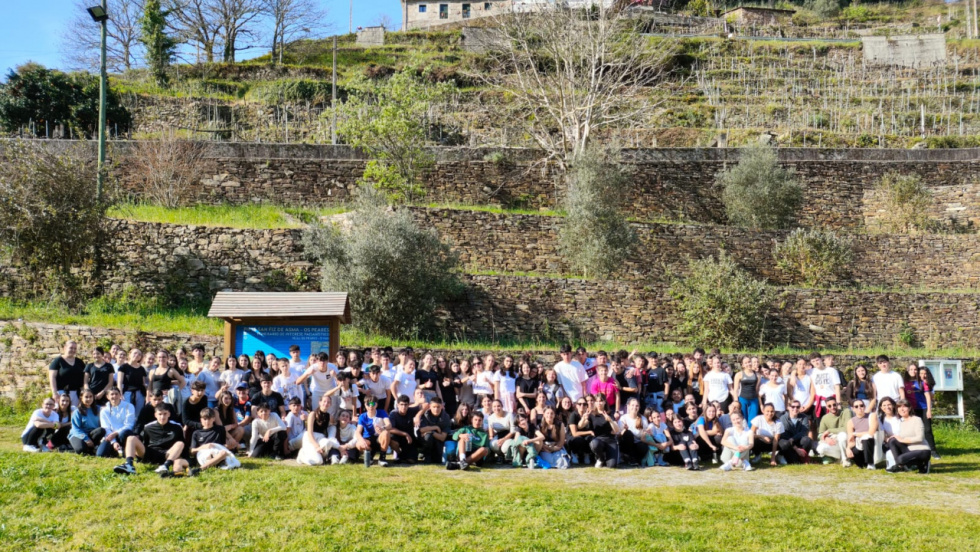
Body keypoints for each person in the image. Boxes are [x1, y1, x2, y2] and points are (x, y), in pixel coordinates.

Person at [114, 403, 189, 477]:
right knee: (131, 438)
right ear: (155, 415)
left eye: (165, 414)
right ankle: (129, 465)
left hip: (167, 454)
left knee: (180, 443)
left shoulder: (177, 427)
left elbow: (182, 447)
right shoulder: (148, 427)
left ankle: (165, 466)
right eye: (160, 414)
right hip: (150, 453)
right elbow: (144, 443)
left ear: (169, 414)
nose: (162, 417)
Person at [885, 400, 932, 473]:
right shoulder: (901, 422)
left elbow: (920, 438)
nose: (902, 409)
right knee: (892, 440)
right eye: (899, 407)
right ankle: (900, 466)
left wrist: (902, 440)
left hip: (922, 450)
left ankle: (923, 463)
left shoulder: (917, 419)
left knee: (901, 459)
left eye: (904, 407)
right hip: (909, 450)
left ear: (909, 408)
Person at [189, 407, 240, 473]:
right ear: (201, 420)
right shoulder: (196, 433)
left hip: (217, 453)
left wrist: (230, 446)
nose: (207, 421)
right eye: (205, 419)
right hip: (203, 455)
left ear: (214, 419)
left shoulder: (220, 429)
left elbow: (222, 446)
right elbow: (192, 451)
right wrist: (203, 447)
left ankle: (201, 469)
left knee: (223, 453)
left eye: (209, 419)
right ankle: (205, 467)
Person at [297, 394, 335, 465]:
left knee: (328, 443)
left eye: (328, 402)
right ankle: (301, 456)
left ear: (330, 404)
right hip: (310, 438)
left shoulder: (330, 416)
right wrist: (317, 446)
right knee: (318, 461)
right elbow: (309, 433)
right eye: (324, 401)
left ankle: (322, 457)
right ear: (320, 402)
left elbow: (335, 424)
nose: (326, 403)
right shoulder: (312, 414)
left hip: (321, 438)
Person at [97, 387, 136, 458]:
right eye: (112, 394)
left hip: (124, 434)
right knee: (100, 454)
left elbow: (129, 425)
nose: (114, 396)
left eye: (116, 394)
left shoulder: (129, 406)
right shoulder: (104, 411)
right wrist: (114, 442)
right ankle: (114, 450)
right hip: (110, 435)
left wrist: (116, 433)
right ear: (107, 397)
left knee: (125, 433)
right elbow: (106, 428)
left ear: (120, 395)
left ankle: (125, 450)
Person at [588, 393, 621, 468]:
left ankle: (607, 456)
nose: (599, 403)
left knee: (612, 466)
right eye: (597, 401)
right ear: (595, 403)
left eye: (601, 401)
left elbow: (616, 430)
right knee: (594, 444)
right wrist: (584, 418)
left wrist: (610, 420)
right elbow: (581, 426)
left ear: (605, 402)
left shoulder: (610, 413)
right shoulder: (591, 414)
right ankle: (601, 458)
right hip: (598, 440)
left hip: (610, 440)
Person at [814, 398, 851, 464]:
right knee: (820, 449)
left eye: (834, 405)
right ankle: (838, 457)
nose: (832, 407)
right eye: (829, 406)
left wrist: (829, 430)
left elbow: (847, 428)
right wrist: (826, 438)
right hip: (832, 441)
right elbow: (820, 434)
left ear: (837, 404)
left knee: (842, 435)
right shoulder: (825, 418)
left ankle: (845, 459)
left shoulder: (846, 412)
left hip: (844, 441)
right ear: (826, 407)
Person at [355, 398, 391, 467]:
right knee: (359, 445)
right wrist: (362, 440)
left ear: (376, 405)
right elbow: (358, 432)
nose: (371, 406)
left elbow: (389, 425)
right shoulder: (362, 416)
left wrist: (382, 428)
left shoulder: (382, 412)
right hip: (368, 439)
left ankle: (382, 458)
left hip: (379, 438)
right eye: (368, 404)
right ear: (365, 405)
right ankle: (370, 454)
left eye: (373, 404)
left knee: (386, 433)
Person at [845, 399, 880, 470]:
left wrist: (855, 434)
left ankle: (870, 463)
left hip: (872, 443)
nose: (859, 408)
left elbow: (871, 433)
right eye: (856, 406)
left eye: (861, 405)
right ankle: (863, 463)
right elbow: (850, 438)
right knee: (857, 457)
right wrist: (848, 448)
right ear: (852, 409)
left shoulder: (872, 416)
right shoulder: (851, 422)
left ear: (864, 406)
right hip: (859, 444)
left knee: (866, 438)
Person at [49, 340, 85, 405]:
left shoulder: (79, 362)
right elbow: (52, 377)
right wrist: (54, 393)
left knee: (75, 413)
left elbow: (85, 377)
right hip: (61, 393)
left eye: (75, 348)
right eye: (71, 348)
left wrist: (83, 391)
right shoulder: (58, 361)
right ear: (65, 348)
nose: (73, 350)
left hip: (76, 393)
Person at [69, 389, 104, 454]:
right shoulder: (77, 412)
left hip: (92, 434)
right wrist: (86, 439)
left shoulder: (98, 409)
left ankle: (92, 447)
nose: (89, 399)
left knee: (101, 430)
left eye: (91, 396)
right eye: (86, 397)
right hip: (78, 434)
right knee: (81, 450)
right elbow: (75, 428)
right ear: (81, 398)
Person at [388, 395, 420, 464]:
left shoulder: (411, 410)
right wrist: (405, 434)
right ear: (397, 405)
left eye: (406, 405)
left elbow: (426, 405)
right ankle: (399, 453)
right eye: (401, 404)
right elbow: (390, 429)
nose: (404, 407)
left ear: (409, 405)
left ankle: (403, 456)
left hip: (409, 439)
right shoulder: (393, 413)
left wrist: (417, 416)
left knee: (411, 461)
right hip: (397, 436)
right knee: (391, 439)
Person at [418, 397, 452, 464]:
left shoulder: (446, 417)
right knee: (428, 436)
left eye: (438, 407)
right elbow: (421, 430)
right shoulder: (425, 415)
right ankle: (426, 455)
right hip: (425, 441)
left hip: (438, 443)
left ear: (442, 406)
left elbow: (442, 438)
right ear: (430, 406)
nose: (436, 409)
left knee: (437, 461)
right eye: (434, 407)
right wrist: (435, 427)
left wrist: (431, 432)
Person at [618, 398, 650, 466]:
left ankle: (636, 459)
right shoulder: (623, 418)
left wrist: (645, 433)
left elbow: (645, 435)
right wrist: (624, 430)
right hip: (627, 444)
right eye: (632, 405)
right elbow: (618, 435)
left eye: (637, 406)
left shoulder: (643, 419)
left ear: (639, 407)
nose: (634, 407)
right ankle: (627, 457)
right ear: (628, 406)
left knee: (644, 447)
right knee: (628, 433)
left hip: (638, 443)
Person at [915, 366, 939, 458]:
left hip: (925, 408)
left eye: (925, 373)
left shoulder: (930, 384)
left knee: (928, 430)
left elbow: (932, 397)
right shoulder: (914, 383)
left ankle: (933, 450)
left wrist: (927, 387)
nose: (923, 375)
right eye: (921, 373)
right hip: (915, 408)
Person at [810, 353, 841, 420]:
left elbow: (837, 387)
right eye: (813, 361)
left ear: (821, 359)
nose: (816, 362)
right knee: (819, 426)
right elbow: (798, 371)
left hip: (831, 403)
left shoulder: (832, 371)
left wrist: (838, 403)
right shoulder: (811, 372)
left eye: (817, 360)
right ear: (811, 363)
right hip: (818, 403)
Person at [116, 348, 148, 412]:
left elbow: (144, 384)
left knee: (138, 413)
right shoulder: (123, 367)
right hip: (127, 393)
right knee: (127, 412)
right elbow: (119, 382)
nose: (137, 355)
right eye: (135, 353)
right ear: (130, 354)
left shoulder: (142, 369)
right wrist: (120, 394)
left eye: (139, 354)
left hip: (140, 394)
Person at [734, 356, 761, 424]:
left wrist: (760, 403)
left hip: (754, 400)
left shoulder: (757, 375)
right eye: (745, 363)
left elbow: (757, 390)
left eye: (749, 362)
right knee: (743, 420)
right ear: (742, 365)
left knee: (752, 421)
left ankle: (751, 434)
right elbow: (736, 390)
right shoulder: (739, 374)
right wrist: (736, 401)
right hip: (743, 399)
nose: (748, 364)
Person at [567, 396, 594, 464]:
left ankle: (587, 454)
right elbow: (574, 433)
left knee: (590, 438)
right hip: (573, 437)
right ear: (576, 405)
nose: (582, 406)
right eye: (580, 404)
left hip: (585, 437)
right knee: (578, 439)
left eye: (584, 404)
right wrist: (589, 432)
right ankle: (574, 454)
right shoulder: (573, 415)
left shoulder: (589, 415)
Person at [182, 380, 210, 444]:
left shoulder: (204, 398)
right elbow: (185, 420)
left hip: (201, 421)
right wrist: (199, 425)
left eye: (202, 390)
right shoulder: (186, 403)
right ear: (192, 391)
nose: (200, 393)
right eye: (198, 390)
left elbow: (204, 412)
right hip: (191, 424)